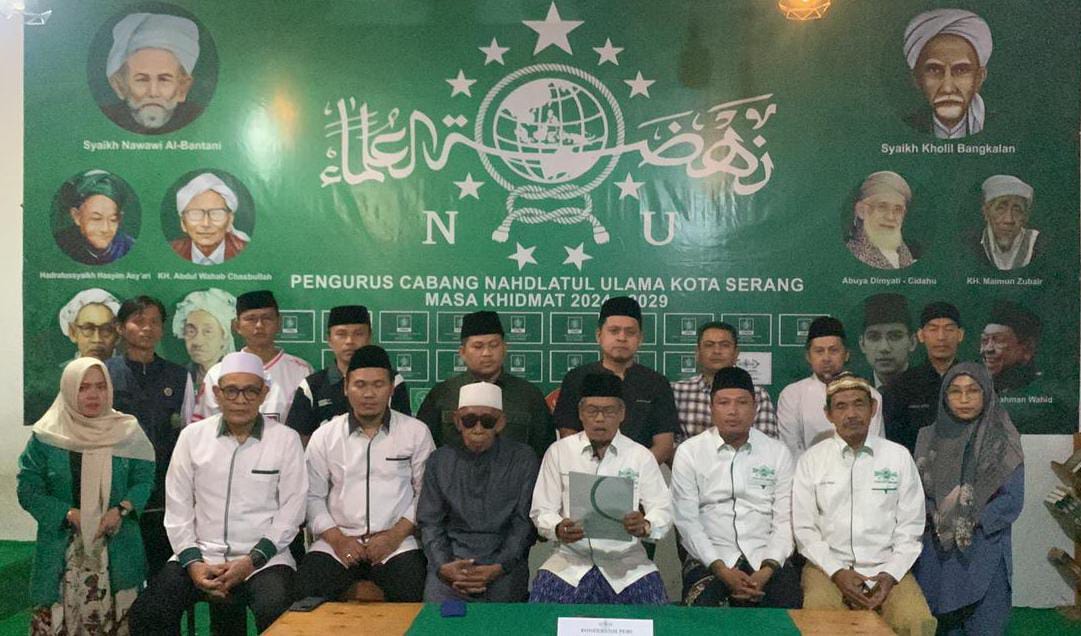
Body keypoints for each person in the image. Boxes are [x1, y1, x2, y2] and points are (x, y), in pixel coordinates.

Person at [129, 352, 307, 635]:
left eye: (250, 391)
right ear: (216, 394)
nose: (240, 399)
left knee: (278, 609)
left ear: (264, 393)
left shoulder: (285, 440)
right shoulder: (192, 437)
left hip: (264, 561)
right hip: (200, 555)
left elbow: (292, 511)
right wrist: (193, 563)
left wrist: (250, 561)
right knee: (149, 611)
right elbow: (178, 507)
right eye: (231, 390)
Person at [17, 358, 156, 634]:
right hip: (64, 549)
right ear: (69, 390)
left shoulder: (127, 431)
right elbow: (28, 488)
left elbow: (144, 479)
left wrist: (122, 509)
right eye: (83, 387)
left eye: (100, 386)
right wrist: (67, 514)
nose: (93, 395)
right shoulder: (47, 436)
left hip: (116, 543)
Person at [793, 373, 935, 635]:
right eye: (841, 406)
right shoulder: (811, 460)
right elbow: (805, 529)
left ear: (873, 408)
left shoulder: (898, 457)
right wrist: (837, 573)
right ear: (828, 414)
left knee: (917, 621)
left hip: (886, 568)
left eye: (859, 404)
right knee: (820, 618)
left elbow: (911, 528)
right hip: (827, 569)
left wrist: (890, 575)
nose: (851, 414)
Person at [297, 345, 435, 602]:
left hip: (398, 543)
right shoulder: (325, 436)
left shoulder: (416, 432)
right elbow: (312, 497)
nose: (369, 394)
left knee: (413, 585)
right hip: (338, 541)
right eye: (360, 385)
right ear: (346, 387)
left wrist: (394, 536)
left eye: (378, 385)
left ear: (391, 388)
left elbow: (426, 494)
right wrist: (338, 540)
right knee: (309, 585)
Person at [530, 373, 672, 604]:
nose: (599, 418)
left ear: (622, 413)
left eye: (609, 411)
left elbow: (663, 509)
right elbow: (542, 510)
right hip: (570, 563)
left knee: (655, 615)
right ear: (580, 413)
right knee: (541, 615)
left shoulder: (640, 456)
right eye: (592, 410)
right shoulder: (559, 452)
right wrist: (557, 528)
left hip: (628, 565)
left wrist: (646, 525)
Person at [671, 367, 800, 608]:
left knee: (787, 606)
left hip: (765, 558)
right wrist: (722, 570)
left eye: (742, 402)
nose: (733, 411)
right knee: (702, 609)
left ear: (755, 408)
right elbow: (687, 521)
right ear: (711, 408)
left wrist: (767, 569)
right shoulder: (690, 452)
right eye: (724, 403)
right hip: (710, 560)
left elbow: (784, 520)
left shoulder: (777, 452)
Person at [914, 363, 1024, 635]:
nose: (964, 399)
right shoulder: (927, 437)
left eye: (973, 391)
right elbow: (917, 493)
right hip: (937, 551)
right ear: (944, 396)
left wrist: (967, 519)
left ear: (986, 393)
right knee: (941, 625)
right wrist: (938, 515)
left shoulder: (1003, 441)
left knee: (985, 625)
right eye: (955, 391)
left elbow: (1011, 500)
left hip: (984, 548)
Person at [416, 382, 540, 603]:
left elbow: (523, 523)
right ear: (457, 421)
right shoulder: (440, 460)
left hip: (503, 564)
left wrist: (498, 566)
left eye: (488, 421)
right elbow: (430, 522)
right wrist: (445, 566)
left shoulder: (523, 459)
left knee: (502, 617)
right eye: (470, 420)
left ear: (500, 423)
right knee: (439, 617)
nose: (478, 428)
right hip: (450, 561)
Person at [105, 296, 194, 578]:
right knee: (119, 574)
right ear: (120, 327)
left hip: (163, 492)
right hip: (117, 490)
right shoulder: (105, 373)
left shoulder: (179, 376)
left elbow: (188, 433)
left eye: (155, 322)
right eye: (139, 321)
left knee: (162, 572)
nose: (147, 328)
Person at [553, 297, 678, 465]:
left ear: (640, 338)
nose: (622, 338)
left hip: (638, 474)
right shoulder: (577, 378)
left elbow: (664, 445)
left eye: (630, 332)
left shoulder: (656, 383)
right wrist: (595, 471)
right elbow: (568, 435)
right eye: (614, 331)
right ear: (599, 335)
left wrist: (632, 472)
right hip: (586, 472)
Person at [417, 310, 554, 458]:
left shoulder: (528, 395)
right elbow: (424, 448)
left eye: (494, 345)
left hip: (514, 472)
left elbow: (544, 452)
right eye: (478, 346)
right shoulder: (443, 394)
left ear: (505, 348)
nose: (487, 353)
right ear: (462, 352)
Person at [287, 305, 410, 446]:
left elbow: (405, 432)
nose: (350, 341)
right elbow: (298, 442)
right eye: (341, 334)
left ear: (369, 337)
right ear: (329, 339)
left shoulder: (393, 381)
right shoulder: (312, 386)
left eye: (358, 334)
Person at [195, 290, 312, 423]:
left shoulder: (301, 370)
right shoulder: (218, 373)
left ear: (279, 323)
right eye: (251, 319)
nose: (259, 325)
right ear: (237, 326)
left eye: (267, 318)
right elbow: (204, 428)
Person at [777, 316, 884, 458]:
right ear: (808, 356)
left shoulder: (871, 394)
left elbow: (874, 446)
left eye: (833, 350)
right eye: (819, 351)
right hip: (809, 470)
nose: (826, 358)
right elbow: (791, 451)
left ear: (846, 354)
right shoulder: (792, 395)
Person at [672, 321, 779, 444]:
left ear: (736, 353)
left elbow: (767, 446)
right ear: (697, 352)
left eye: (725, 345)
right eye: (709, 345)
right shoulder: (677, 392)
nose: (717, 351)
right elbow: (671, 446)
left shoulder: (757, 395)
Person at [882, 302, 965, 454]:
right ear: (921, 335)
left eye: (949, 329)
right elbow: (893, 442)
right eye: (933, 329)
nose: (941, 337)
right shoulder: (901, 385)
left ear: (960, 335)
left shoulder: (976, 381)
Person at [103, 13, 203, 134]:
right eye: (142, 80)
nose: (153, 92)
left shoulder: (201, 120)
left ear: (183, 87)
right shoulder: (102, 121)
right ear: (120, 86)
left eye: (164, 80)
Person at [903, 9, 992, 139]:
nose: (947, 88)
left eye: (961, 71)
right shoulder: (902, 129)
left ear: (979, 78)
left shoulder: (1003, 127)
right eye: (934, 70)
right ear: (917, 79)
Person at [54, 170, 136, 265]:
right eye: (96, 219)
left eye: (113, 220)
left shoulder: (127, 246)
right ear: (76, 216)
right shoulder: (61, 243)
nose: (105, 229)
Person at [170, 173, 251, 265]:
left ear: (230, 221)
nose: (206, 224)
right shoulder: (170, 251)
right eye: (195, 214)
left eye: (216, 213)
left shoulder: (246, 251)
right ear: (183, 223)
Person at [845, 171, 918, 270]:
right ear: (861, 211)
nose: (890, 217)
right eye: (882, 207)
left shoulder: (905, 253)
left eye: (898, 209)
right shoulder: (852, 255)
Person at [172, 288, 236, 390]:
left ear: (224, 337)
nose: (198, 341)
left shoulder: (241, 376)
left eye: (207, 332)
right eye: (191, 331)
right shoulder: (176, 376)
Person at [979, 175, 1040, 271]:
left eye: (1017, 210)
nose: (1009, 220)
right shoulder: (972, 244)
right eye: (1000, 208)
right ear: (986, 213)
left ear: (1025, 216)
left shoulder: (1038, 243)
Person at [979, 300, 1041, 394]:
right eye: (984, 340)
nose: (988, 349)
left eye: (999, 340)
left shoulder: (1041, 392)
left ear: (1027, 349)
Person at [859, 293, 917, 389]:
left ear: (912, 342)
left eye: (895, 337)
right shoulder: (854, 390)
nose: (884, 348)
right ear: (862, 344)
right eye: (874, 337)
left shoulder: (932, 389)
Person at [59, 288, 121, 362]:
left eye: (106, 330)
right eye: (88, 329)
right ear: (73, 333)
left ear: (118, 335)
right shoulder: (65, 369)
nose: (97, 339)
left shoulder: (126, 369)